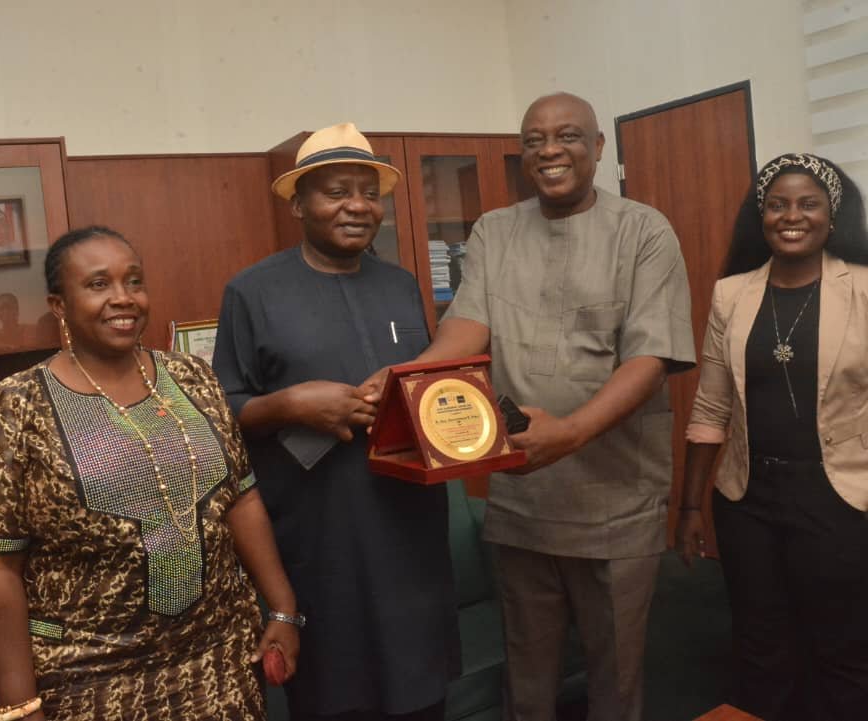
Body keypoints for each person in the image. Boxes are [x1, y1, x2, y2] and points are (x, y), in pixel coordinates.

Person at [403, 93, 696, 721]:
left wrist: (570, 433)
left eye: (567, 136)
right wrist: (406, 382)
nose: (550, 150)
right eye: (534, 140)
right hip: (523, 498)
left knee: (615, 679)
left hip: (616, 501)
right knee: (528, 678)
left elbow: (651, 358)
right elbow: (466, 329)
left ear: (598, 146)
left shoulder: (644, 230)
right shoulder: (494, 230)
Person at [0, 225, 299, 721]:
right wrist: (18, 702)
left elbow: (241, 497)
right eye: (99, 284)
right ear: (58, 305)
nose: (123, 298)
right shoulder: (14, 408)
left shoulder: (193, 378)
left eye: (134, 281)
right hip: (89, 677)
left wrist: (282, 607)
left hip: (221, 659)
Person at [213, 122, 460, 721]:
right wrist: (291, 405)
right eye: (336, 192)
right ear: (299, 204)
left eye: (369, 193)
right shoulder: (252, 291)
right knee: (335, 693)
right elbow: (220, 412)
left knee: (420, 692)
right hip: (319, 534)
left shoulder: (401, 285)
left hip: (409, 529)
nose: (357, 206)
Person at [675, 154, 868, 721]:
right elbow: (710, 406)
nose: (792, 216)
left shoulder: (862, 289)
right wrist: (690, 505)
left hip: (841, 500)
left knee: (843, 647)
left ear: (832, 215)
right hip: (748, 501)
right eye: (777, 204)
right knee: (760, 647)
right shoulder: (731, 294)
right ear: (760, 216)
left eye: (809, 204)